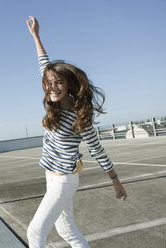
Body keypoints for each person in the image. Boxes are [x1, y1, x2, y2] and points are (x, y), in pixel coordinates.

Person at [25, 16, 127, 248]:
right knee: (67, 231)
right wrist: (36, 36)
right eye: (50, 83)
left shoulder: (81, 117)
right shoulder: (53, 101)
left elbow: (98, 151)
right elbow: (44, 65)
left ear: (69, 85)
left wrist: (116, 182)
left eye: (59, 82)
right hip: (51, 176)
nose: (53, 87)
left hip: (63, 181)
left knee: (34, 233)